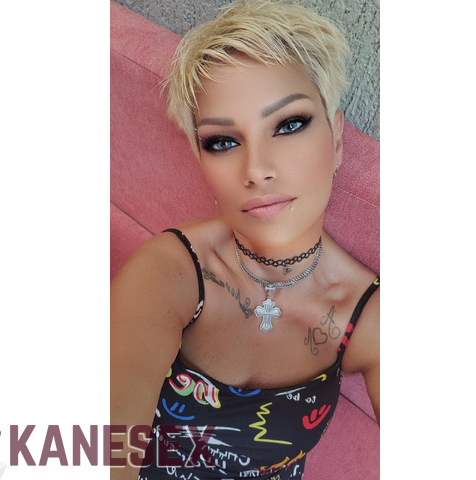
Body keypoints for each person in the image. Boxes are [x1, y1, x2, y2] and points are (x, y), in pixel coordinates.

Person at [110, 1, 379, 479]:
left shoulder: (367, 315)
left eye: (289, 125)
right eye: (223, 142)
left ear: (337, 139)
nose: (256, 170)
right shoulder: (171, 271)